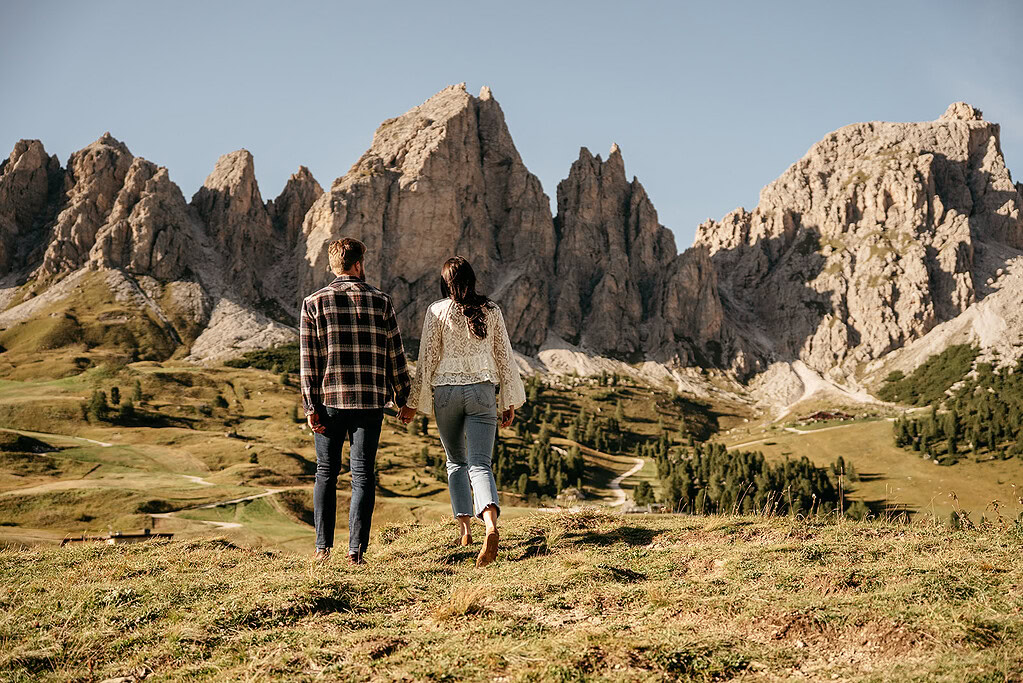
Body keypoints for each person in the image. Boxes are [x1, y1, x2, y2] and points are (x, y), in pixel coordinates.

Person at [399, 256, 526, 568]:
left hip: (446, 393)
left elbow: (427, 358)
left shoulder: (436, 310)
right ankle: (492, 527)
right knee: (481, 465)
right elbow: (504, 356)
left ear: (445, 283)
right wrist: (508, 400)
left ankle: (465, 531)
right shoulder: (492, 310)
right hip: (483, 392)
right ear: (472, 280)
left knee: (456, 463)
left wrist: (412, 402)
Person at [300, 237, 411, 565]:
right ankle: (355, 553)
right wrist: (403, 398)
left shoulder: (313, 303)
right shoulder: (382, 301)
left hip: (330, 400)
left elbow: (310, 361)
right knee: (362, 474)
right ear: (358, 264)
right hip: (370, 401)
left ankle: (322, 549)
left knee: (326, 472)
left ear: (334, 265)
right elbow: (396, 355)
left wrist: (310, 406)